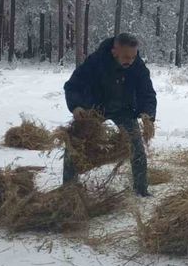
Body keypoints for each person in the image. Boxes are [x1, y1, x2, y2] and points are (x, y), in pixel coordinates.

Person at [63, 33, 157, 196]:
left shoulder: (137, 65)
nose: (130, 61)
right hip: (95, 109)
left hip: (124, 109)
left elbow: (147, 92)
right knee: (74, 145)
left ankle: (141, 190)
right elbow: (72, 86)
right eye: (126, 57)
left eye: (133, 57)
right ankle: (69, 190)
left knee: (137, 149)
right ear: (114, 52)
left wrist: (148, 114)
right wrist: (76, 106)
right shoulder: (95, 62)